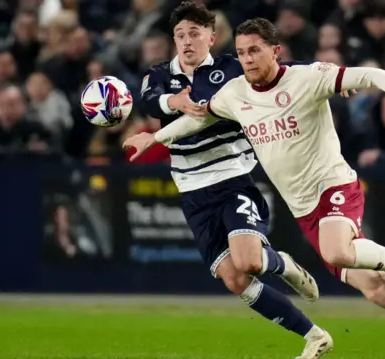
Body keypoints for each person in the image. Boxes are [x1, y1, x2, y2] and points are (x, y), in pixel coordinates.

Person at [125, 17, 385, 359]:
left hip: (333, 185)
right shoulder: (234, 93)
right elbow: (195, 120)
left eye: (255, 50)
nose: (247, 59)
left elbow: (371, 75)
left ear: (275, 51)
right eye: (241, 52)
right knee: (377, 290)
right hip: (304, 210)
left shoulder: (308, 78)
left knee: (337, 252)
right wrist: (154, 137)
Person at [137, 3, 328, 358]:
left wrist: (329, 79)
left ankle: (281, 263)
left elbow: (280, 71)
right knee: (235, 279)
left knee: (250, 262)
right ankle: (314, 335)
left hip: (233, 180)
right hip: (192, 194)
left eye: (194, 34)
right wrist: (173, 100)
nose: (187, 41)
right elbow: (147, 102)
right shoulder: (160, 76)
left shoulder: (230, 69)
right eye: (180, 35)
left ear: (212, 37)